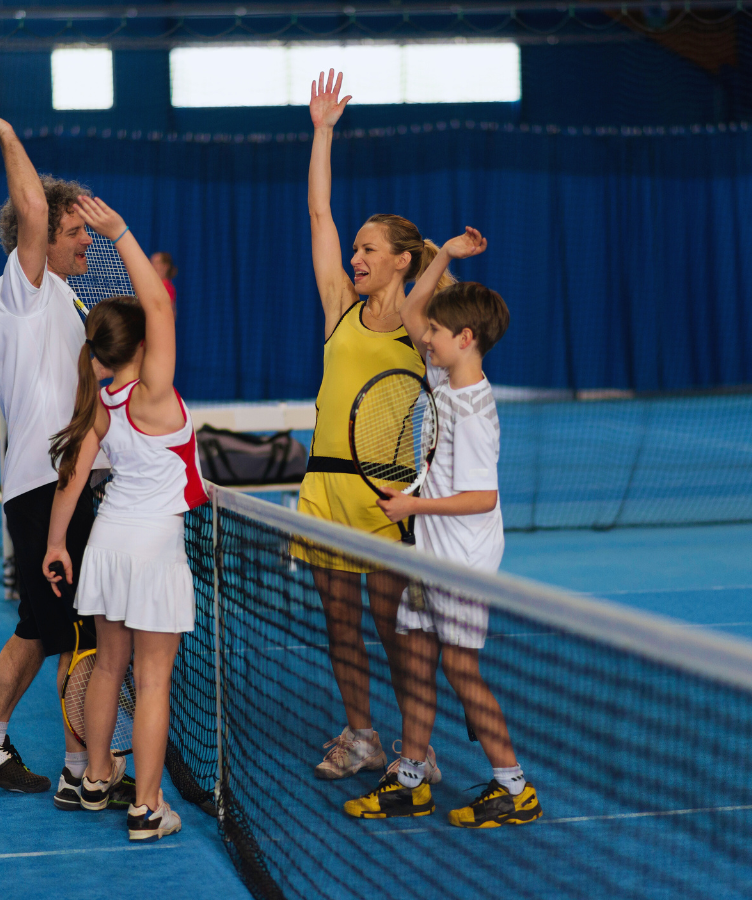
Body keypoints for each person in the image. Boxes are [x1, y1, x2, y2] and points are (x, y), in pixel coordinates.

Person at [0, 89, 118, 810]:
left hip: (74, 483)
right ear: (40, 235)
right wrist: (8, 135)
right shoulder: (23, 292)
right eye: (75, 231)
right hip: (47, 487)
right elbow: (30, 202)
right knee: (71, 627)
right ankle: (84, 767)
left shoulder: (71, 305)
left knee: (48, 625)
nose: (87, 242)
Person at [344, 236, 543, 829]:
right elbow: (411, 311)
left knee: (460, 669)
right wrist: (445, 259)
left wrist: (412, 508)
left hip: (460, 558)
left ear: (466, 339)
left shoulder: (474, 410)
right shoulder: (441, 378)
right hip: (432, 554)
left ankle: (513, 786)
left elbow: (483, 497)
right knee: (416, 658)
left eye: (435, 333)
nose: (421, 337)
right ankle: (410, 778)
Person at [296, 68, 455, 780]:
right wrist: (323, 132)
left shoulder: (422, 325)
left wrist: (438, 262)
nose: (355, 257)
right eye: (354, 249)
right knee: (340, 625)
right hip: (324, 491)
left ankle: (414, 747)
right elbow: (318, 216)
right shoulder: (337, 306)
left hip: (387, 498)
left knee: (396, 628)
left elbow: (454, 314)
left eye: (369, 250)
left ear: (400, 259)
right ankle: (360, 733)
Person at [42, 194, 207, 842]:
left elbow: (72, 479)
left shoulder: (102, 404)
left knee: (110, 665)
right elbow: (160, 302)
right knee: (153, 678)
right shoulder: (154, 394)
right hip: (151, 547)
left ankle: (94, 777)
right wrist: (122, 234)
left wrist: (58, 543)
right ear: (141, 344)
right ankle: (144, 807)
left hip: (105, 544)